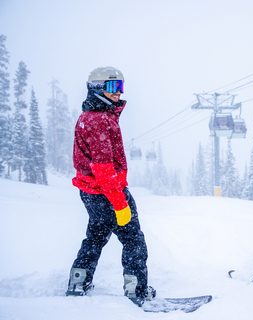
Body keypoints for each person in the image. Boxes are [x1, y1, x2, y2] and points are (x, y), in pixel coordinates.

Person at [66, 66, 155, 305]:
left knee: (95, 236)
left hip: (91, 193)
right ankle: (136, 288)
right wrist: (120, 203)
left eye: (120, 87)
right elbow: (104, 169)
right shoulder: (99, 121)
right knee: (133, 239)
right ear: (97, 88)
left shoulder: (89, 117)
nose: (118, 93)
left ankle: (78, 280)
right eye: (113, 87)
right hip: (108, 192)